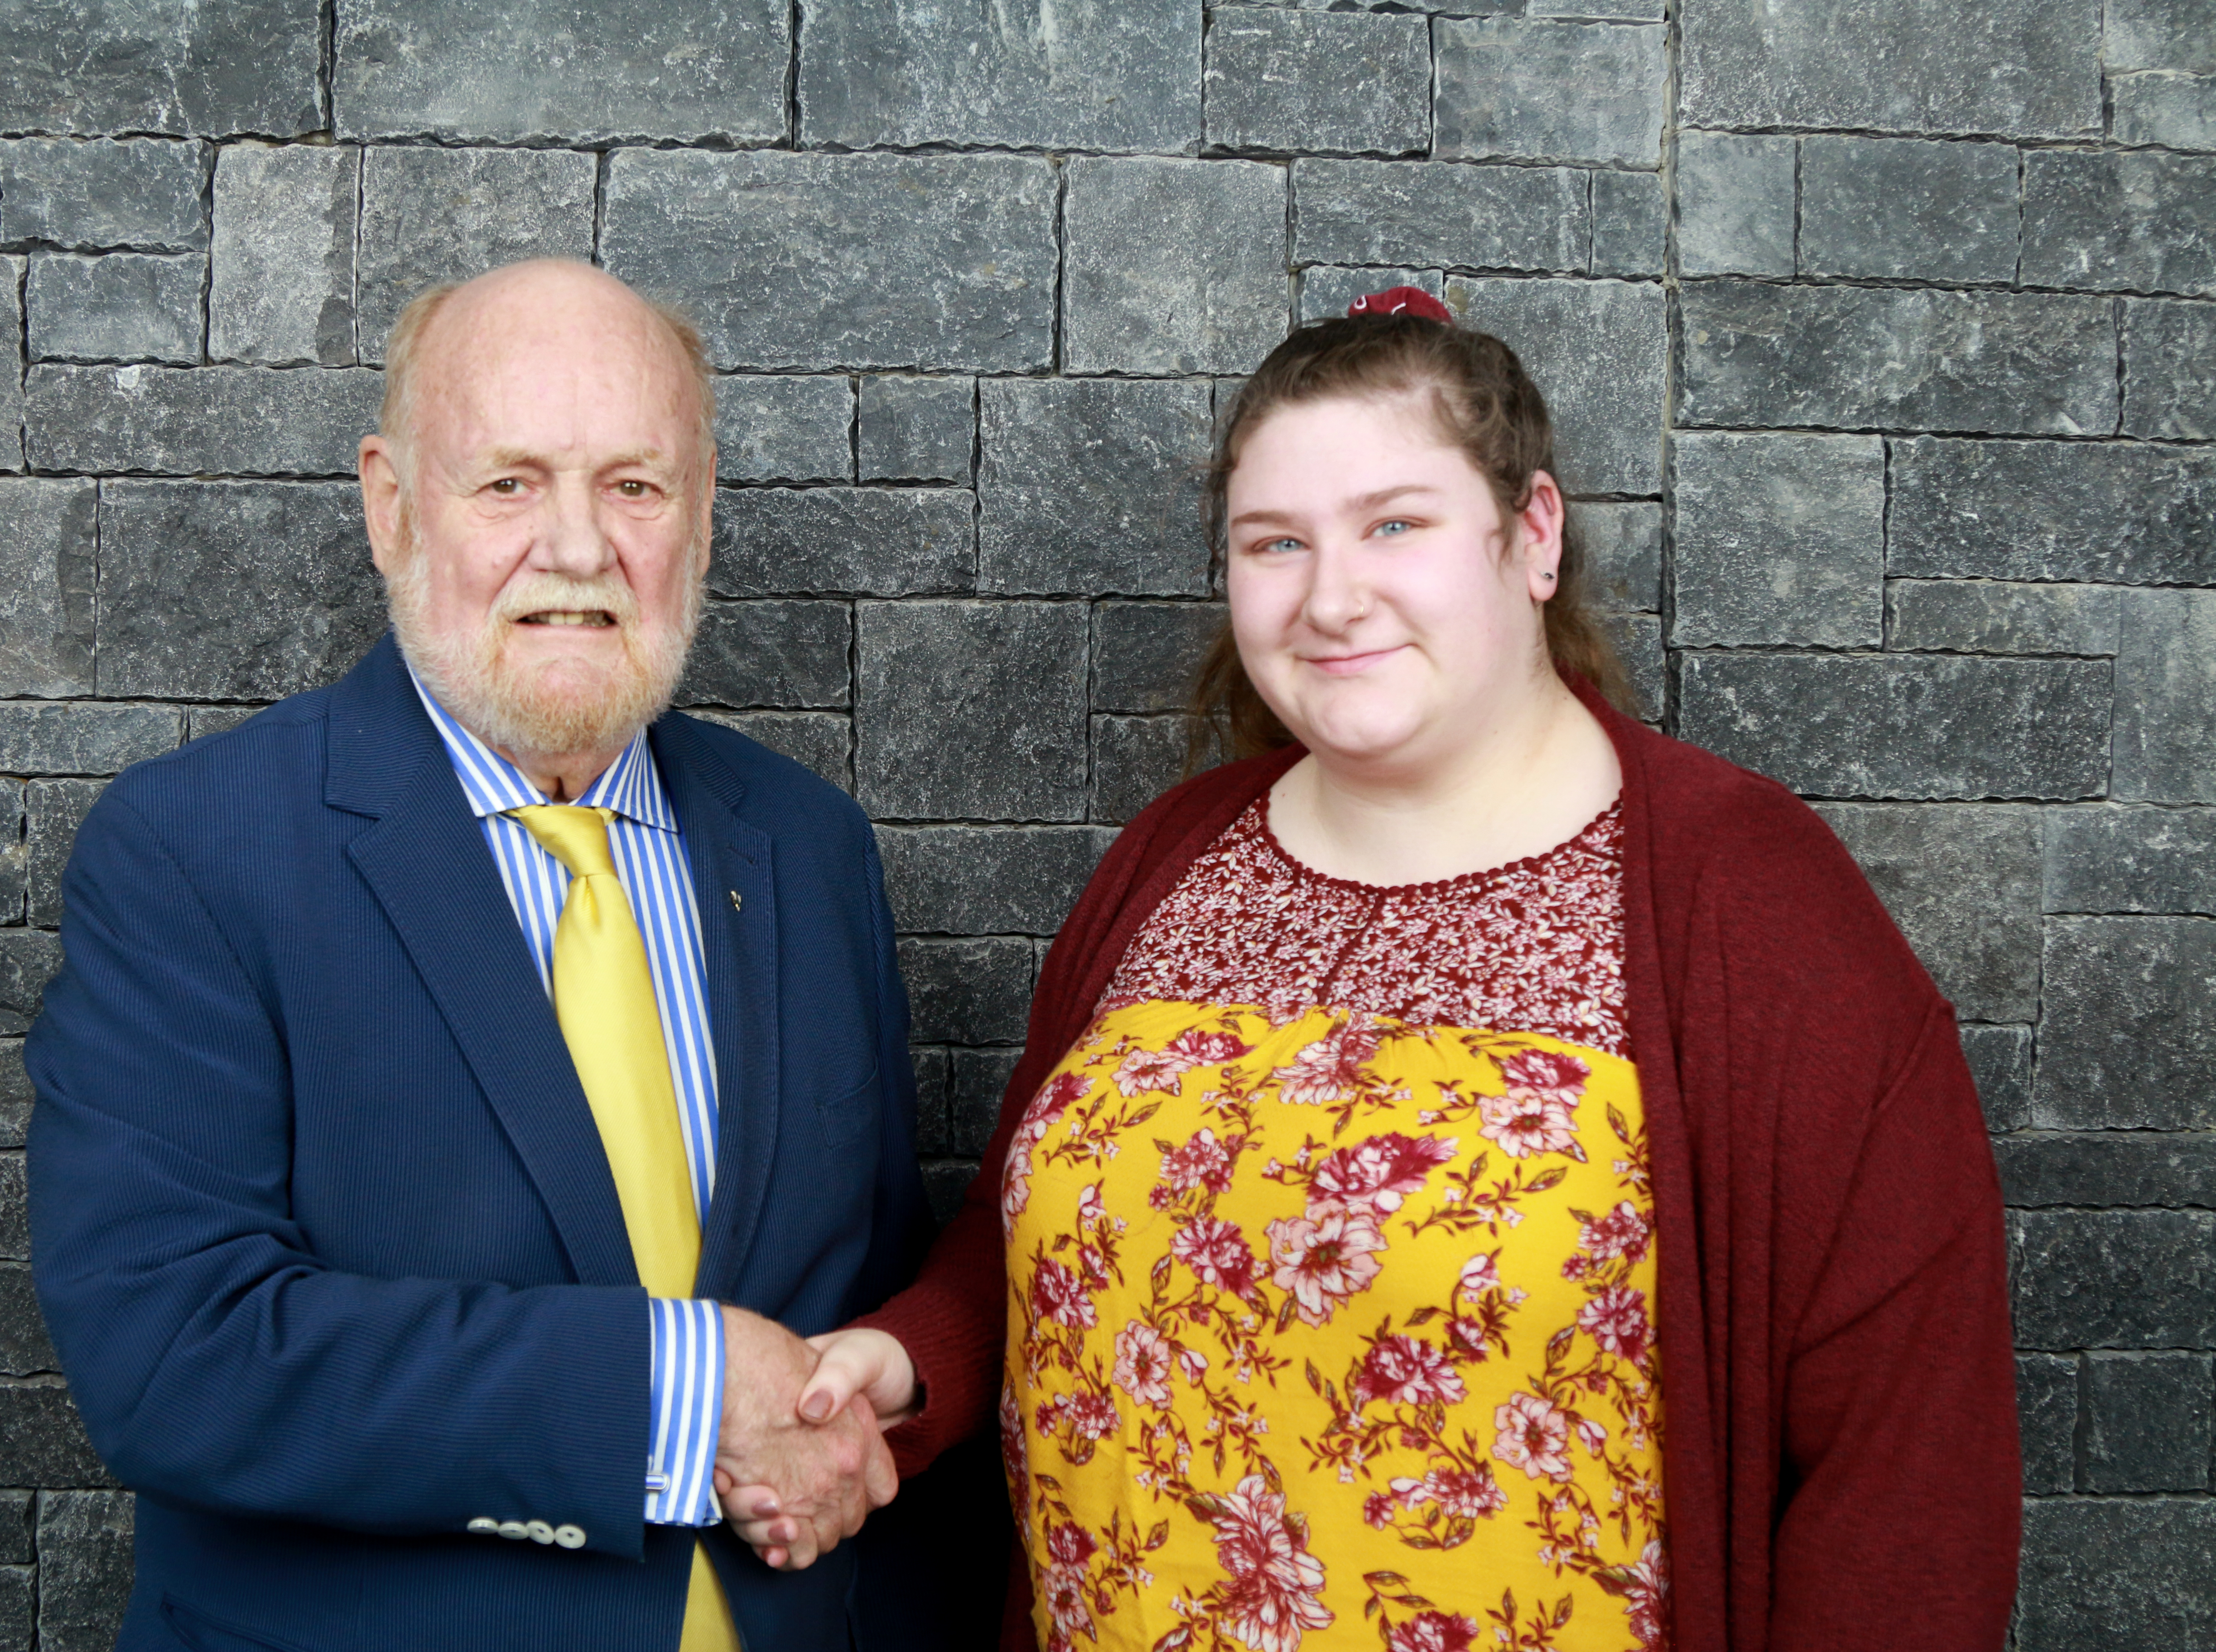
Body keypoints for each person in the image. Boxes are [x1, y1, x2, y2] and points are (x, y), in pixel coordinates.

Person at [728, 288, 2023, 1651]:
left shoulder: (1748, 907)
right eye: (1274, 542)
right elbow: (1026, 1240)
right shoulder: (1172, 860)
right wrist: (904, 1362)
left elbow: (1909, 1461)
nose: (1331, 597)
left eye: (1394, 524)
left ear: (1531, 536)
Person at [24, 259, 930, 1651]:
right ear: (392, 507)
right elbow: (174, 1357)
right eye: (509, 482)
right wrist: (677, 1395)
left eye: (636, 485)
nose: (577, 547)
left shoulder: (808, 849)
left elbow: (862, 1288)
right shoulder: (192, 852)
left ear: (701, 520)